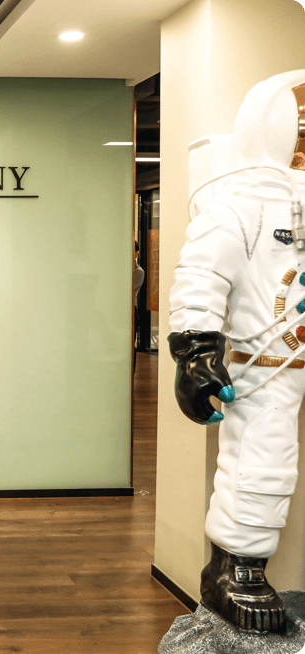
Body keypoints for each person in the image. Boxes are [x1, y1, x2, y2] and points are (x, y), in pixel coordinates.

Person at [168, 70, 305, 634]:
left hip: (287, 356)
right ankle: (236, 570)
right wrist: (196, 352)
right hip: (263, 366)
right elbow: (200, 277)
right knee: (262, 457)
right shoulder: (238, 207)